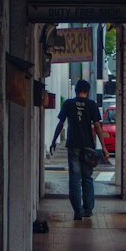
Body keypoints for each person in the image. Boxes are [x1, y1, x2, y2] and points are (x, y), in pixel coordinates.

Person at [49, 78, 111, 220]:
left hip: (73, 146)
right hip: (88, 147)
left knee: (75, 179)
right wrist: (104, 148)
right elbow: (97, 126)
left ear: (76, 91)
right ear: (87, 92)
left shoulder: (68, 104)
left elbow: (60, 124)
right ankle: (88, 209)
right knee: (87, 178)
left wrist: (53, 141)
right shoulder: (92, 104)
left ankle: (78, 211)